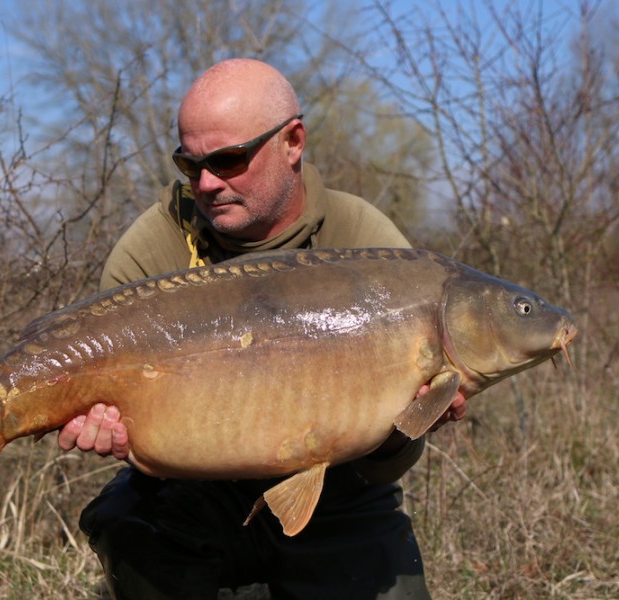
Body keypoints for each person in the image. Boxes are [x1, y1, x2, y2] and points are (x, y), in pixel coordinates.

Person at [58, 58, 466, 599]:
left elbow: (386, 468)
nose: (206, 182)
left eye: (227, 160)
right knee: (127, 518)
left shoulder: (365, 240)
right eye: (190, 164)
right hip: (195, 491)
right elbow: (118, 411)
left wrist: (421, 418)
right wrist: (108, 427)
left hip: (339, 493)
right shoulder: (153, 248)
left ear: (292, 141)